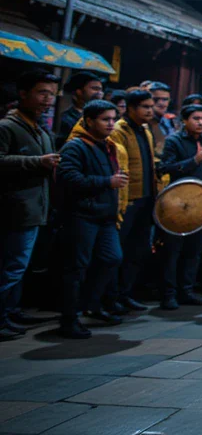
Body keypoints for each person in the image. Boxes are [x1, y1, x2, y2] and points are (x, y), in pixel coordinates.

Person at [57, 100, 127, 338]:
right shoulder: (75, 147)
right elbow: (69, 179)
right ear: (88, 121)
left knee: (112, 258)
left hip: (105, 216)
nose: (111, 124)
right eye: (105, 119)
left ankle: (91, 304)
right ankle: (69, 318)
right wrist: (107, 182)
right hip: (82, 215)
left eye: (112, 119)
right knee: (76, 268)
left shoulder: (106, 145)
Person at [0, 70, 60, 340]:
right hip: (15, 208)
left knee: (20, 266)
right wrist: (37, 162)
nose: (48, 99)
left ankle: (11, 311)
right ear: (23, 94)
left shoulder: (39, 127)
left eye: (51, 94)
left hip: (37, 207)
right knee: (11, 266)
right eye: (42, 93)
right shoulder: (7, 127)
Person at [108, 89, 159, 313]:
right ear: (130, 108)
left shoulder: (145, 130)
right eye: (145, 107)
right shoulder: (118, 130)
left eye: (151, 106)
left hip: (146, 197)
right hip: (128, 200)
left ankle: (125, 294)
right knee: (117, 252)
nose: (150, 110)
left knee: (137, 250)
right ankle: (109, 298)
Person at [158, 104, 202, 309]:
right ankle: (168, 294)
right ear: (184, 121)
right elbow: (166, 167)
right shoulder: (174, 141)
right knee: (173, 251)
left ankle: (186, 291)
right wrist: (194, 160)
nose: (200, 122)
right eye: (196, 118)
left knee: (194, 250)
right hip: (177, 202)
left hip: (201, 202)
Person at [55, 72, 104, 146]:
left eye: (101, 90)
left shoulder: (102, 116)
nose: (99, 93)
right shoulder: (66, 119)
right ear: (79, 91)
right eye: (95, 89)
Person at [145, 81, 173, 156]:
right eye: (156, 99)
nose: (161, 103)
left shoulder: (169, 121)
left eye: (165, 99)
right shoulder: (140, 122)